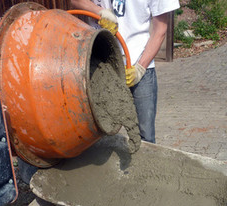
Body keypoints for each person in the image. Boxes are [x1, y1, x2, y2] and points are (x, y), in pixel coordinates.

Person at [71, 0, 180, 143]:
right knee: (97, 130)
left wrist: (140, 68)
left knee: (145, 135)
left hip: (138, 65)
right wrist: (98, 11)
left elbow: (160, 30)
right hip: (101, 65)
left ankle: (145, 165)